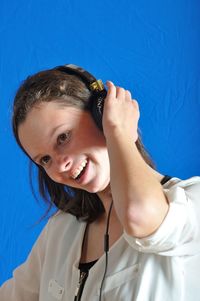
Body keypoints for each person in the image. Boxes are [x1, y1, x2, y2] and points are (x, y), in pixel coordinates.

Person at [0, 64, 200, 301]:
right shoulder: (61, 229)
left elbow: (138, 214)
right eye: (45, 159)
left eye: (63, 137)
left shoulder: (192, 203)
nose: (60, 165)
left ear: (101, 114)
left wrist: (119, 132)